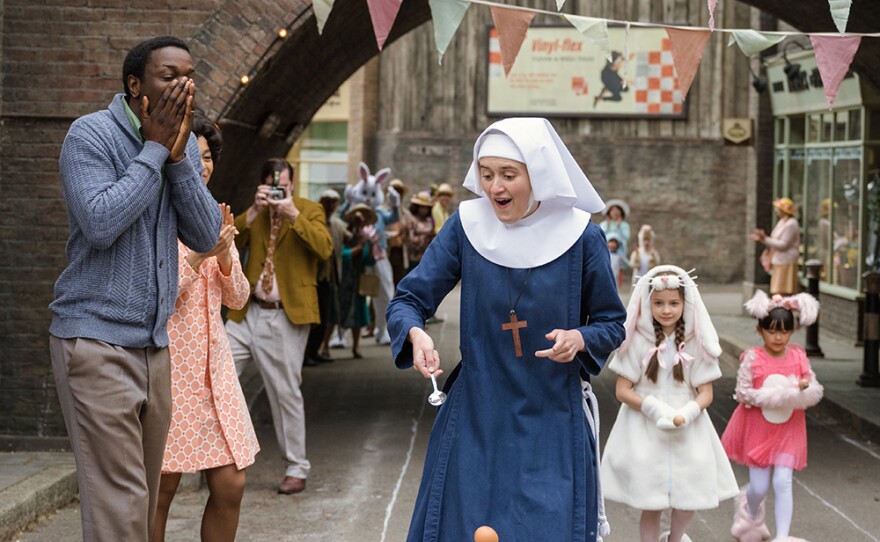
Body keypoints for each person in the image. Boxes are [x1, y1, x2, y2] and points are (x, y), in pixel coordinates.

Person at [386, 118, 626, 541]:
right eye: (486, 173)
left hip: (552, 416)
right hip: (477, 415)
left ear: (539, 175)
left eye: (508, 175)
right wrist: (414, 332)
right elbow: (408, 299)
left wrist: (580, 338)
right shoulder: (465, 226)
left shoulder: (582, 237)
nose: (494, 186)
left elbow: (611, 323)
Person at [49, 36, 221, 541]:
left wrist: (178, 158)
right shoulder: (91, 135)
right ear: (134, 85)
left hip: (154, 347)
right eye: (169, 76)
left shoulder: (182, 146)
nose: (183, 86)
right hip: (95, 342)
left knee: (141, 505)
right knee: (118, 506)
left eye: (189, 76)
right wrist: (153, 149)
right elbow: (100, 223)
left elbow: (206, 235)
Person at [153, 113, 258, 542]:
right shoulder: (155, 215)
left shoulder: (215, 214)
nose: (204, 165)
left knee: (231, 482)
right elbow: (153, 295)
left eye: (209, 156)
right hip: (170, 368)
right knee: (161, 490)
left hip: (215, 371)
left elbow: (238, 298)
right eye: (195, 156)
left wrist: (226, 254)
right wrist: (200, 255)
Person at [601, 265, 739, 542]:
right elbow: (622, 390)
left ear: (685, 303)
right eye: (659, 303)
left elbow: (705, 392)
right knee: (650, 502)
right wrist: (653, 408)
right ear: (647, 303)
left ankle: (675, 538)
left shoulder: (694, 341)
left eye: (674, 303)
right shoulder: (637, 341)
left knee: (689, 498)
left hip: (688, 429)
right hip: (644, 428)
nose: (666, 310)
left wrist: (688, 413)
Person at [226, 158, 333, 495]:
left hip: (286, 315)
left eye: (283, 187)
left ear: (293, 184)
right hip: (247, 312)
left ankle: (297, 466)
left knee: (285, 392)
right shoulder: (256, 213)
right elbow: (227, 243)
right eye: (273, 187)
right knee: (216, 373)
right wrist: (253, 212)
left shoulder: (309, 209)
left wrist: (292, 214)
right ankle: (217, 453)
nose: (278, 192)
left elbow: (325, 248)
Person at [721, 291, 823, 542]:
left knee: (783, 481)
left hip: (789, 427)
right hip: (759, 429)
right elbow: (743, 393)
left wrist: (802, 389)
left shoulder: (798, 356)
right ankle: (749, 508)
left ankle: (783, 536)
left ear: (792, 331)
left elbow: (810, 383)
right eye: (772, 331)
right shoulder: (754, 358)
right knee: (759, 487)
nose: (779, 337)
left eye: (785, 331)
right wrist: (774, 395)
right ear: (760, 330)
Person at [307, 189, 347, 363]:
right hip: (314, 277)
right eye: (327, 202)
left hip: (330, 277)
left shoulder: (337, 224)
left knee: (324, 316)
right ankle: (307, 352)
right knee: (312, 317)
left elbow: (349, 239)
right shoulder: (313, 222)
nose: (330, 206)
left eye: (333, 202)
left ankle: (315, 350)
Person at [338, 204, 378, 359]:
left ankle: (356, 345)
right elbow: (341, 254)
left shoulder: (365, 237)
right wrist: (357, 249)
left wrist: (371, 246)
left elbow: (369, 261)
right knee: (337, 310)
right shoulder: (345, 233)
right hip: (343, 277)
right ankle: (326, 344)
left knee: (358, 312)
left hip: (357, 278)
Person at [750, 197, 800, 296]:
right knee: (778, 289)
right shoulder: (782, 222)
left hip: (786, 261)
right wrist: (763, 239)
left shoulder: (791, 224)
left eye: (778, 209)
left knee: (783, 290)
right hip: (779, 260)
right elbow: (775, 240)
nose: (776, 211)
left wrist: (765, 239)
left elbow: (783, 245)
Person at [386, 179, 412, 286]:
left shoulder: (406, 214)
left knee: (399, 281)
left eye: (399, 192)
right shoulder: (383, 212)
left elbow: (409, 236)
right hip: (387, 251)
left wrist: (407, 232)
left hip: (401, 252)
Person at [405, 190, 436, 273]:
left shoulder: (429, 221)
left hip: (426, 257)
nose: (424, 210)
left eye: (426, 207)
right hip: (413, 257)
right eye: (422, 207)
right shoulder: (412, 220)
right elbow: (411, 238)